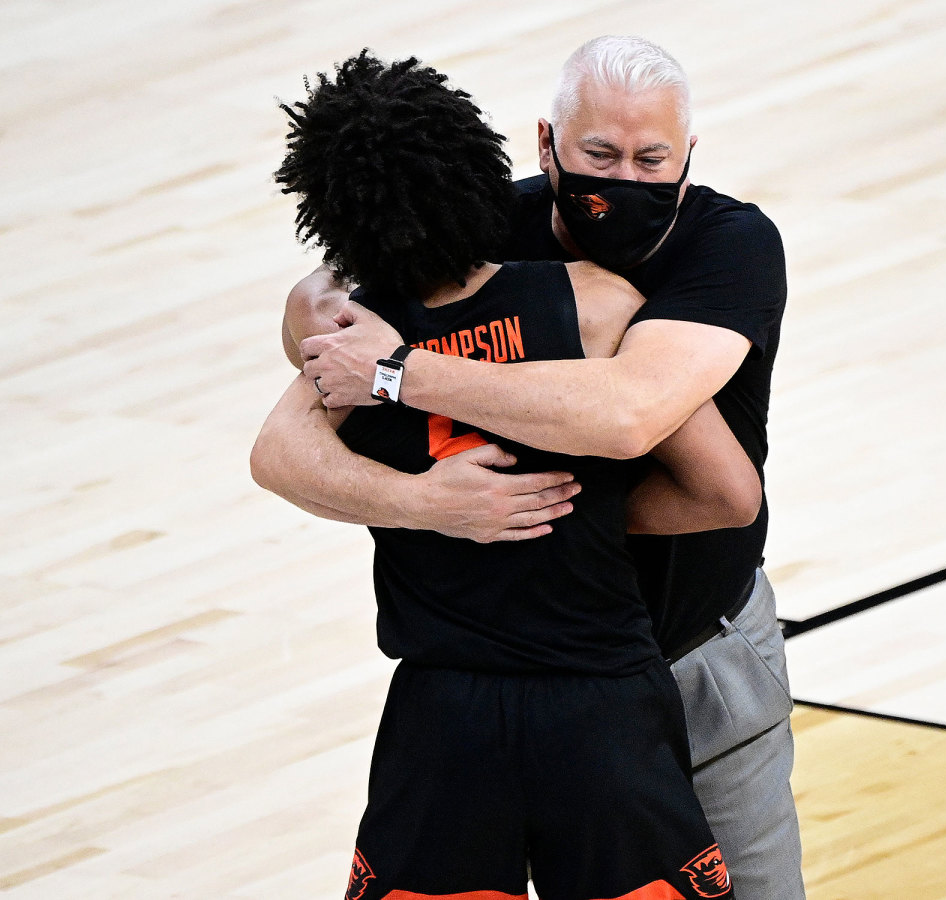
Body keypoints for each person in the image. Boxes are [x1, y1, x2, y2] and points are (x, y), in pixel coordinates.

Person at [270, 36, 804, 899]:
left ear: (688, 157)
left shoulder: (726, 245)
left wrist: (521, 498)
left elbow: (642, 421)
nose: (623, 180)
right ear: (545, 144)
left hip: (684, 646)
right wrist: (427, 503)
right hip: (553, 689)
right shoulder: (491, 255)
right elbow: (283, 438)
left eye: (650, 159)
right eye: (599, 154)